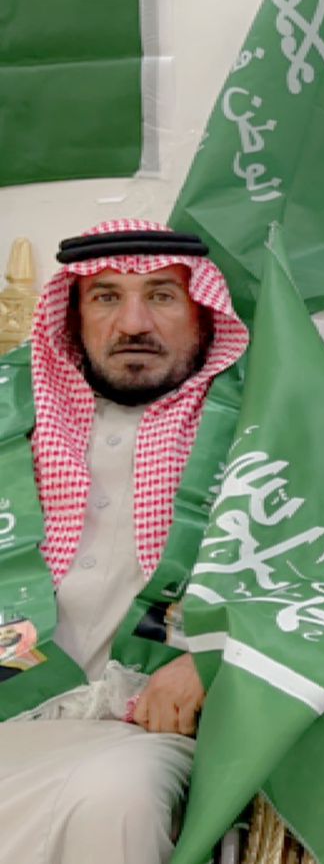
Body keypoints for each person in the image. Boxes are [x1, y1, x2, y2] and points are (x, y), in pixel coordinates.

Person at [0, 219, 248, 864]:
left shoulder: (261, 426)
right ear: (73, 317)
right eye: (106, 297)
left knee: (116, 800)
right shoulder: (14, 422)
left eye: (161, 295)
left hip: (149, 729)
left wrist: (213, 659)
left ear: (202, 313)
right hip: (14, 707)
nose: (133, 323)